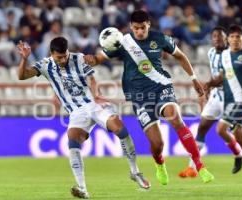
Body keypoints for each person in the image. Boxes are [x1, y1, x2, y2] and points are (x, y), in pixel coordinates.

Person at [84, 10, 214, 185]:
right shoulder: (122, 42)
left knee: (175, 118)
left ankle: (200, 166)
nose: (139, 31)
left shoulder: (160, 39)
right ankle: (160, 163)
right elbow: (99, 58)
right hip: (139, 97)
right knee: (157, 144)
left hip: (161, 87)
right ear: (131, 27)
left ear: (149, 25)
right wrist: (92, 59)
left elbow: (181, 56)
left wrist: (194, 79)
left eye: (143, 28)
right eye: (136, 28)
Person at [16, 37, 150, 199]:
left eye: (65, 55)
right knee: (72, 139)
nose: (64, 59)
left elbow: (91, 79)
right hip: (77, 112)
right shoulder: (45, 65)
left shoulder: (78, 58)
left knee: (120, 129)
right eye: (59, 57)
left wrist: (97, 95)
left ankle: (135, 172)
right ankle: (82, 188)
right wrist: (24, 59)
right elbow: (22, 76)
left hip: (94, 103)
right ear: (52, 54)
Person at [179, 26, 242, 178]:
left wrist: (208, 85)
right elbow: (216, 75)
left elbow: (224, 78)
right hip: (215, 98)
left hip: (232, 97)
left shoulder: (231, 55)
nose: (217, 39)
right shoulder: (211, 52)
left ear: (227, 39)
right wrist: (209, 90)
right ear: (212, 39)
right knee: (202, 128)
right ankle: (192, 168)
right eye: (214, 36)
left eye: (221, 37)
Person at [204, 25, 242, 181]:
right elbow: (223, 74)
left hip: (241, 100)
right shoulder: (225, 55)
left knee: (220, 129)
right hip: (229, 99)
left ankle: (239, 155)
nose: (235, 39)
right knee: (240, 136)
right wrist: (210, 84)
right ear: (228, 39)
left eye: (238, 36)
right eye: (232, 36)